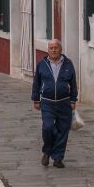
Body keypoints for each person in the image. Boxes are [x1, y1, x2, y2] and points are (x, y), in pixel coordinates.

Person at [31, 39, 78, 169]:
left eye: (56, 48)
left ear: (60, 49)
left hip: (64, 103)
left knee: (63, 131)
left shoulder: (68, 64)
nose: (53, 50)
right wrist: (36, 99)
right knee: (48, 128)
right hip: (47, 103)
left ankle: (58, 158)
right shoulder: (42, 64)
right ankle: (47, 151)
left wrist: (73, 100)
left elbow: (73, 84)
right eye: (51, 48)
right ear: (48, 50)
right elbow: (36, 83)